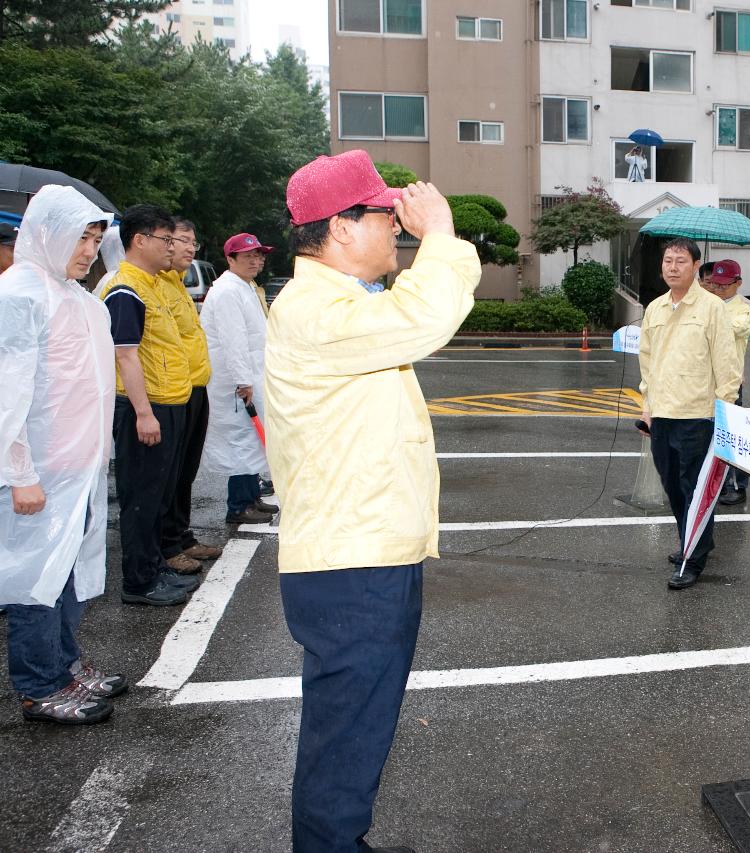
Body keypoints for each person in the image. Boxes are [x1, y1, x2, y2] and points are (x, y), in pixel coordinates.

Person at [265, 149, 481, 853]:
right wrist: (442, 234)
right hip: (351, 563)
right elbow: (428, 316)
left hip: (365, 550)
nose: (398, 231)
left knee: (354, 728)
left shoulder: (339, 302)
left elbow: (433, 307)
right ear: (341, 228)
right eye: (386, 219)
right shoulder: (314, 309)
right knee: (347, 733)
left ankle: (337, 840)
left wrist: (442, 245)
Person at [0, 185, 126, 724]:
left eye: (96, 240)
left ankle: (65, 665)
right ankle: (39, 686)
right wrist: (18, 471)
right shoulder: (19, 296)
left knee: (69, 577)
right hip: (39, 475)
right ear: (47, 234)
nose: (89, 251)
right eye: (80, 238)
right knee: (34, 582)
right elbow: (7, 394)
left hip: (78, 471)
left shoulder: (77, 297)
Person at [100, 205, 200, 606]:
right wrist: (143, 413)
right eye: (165, 239)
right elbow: (125, 355)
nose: (172, 246)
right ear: (139, 240)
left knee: (158, 495)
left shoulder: (154, 283)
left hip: (169, 401)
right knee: (141, 499)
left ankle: (155, 567)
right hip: (147, 407)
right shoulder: (126, 288)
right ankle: (138, 582)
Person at [638, 238, 742, 590]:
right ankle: (691, 539)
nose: (672, 266)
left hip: (698, 416)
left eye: (680, 261)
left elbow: (727, 364)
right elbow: (647, 362)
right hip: (663, 414)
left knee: (694, 489)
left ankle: (693, 558)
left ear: (697, 266)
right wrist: (647, 407)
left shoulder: (712, 308)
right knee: (673, 488)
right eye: (667, 260)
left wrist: (723, 412)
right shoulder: (654, 308)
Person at [157, 219, 223, 571]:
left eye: (192, 242)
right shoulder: (154, 284)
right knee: (168, 474)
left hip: (194, 387)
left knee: (185, 472)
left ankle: (181, 536)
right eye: (182, 240)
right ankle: (166, 546)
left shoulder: (178, 284)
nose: (189, 248)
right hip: (172, 393)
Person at [202, 233, 276, 526]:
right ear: (230, 259)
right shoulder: (228, 291)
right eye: (248, 256)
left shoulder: (243, 286)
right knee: (241, 441)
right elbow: (234, 340)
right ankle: (239, 505)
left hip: (249, 376)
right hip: (235, 382)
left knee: (252, 439)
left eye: (259, 256)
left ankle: (251, 496)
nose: (256, 261)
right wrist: (243, 381)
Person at [701, 259, 750, 506]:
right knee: (708, 435)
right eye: (715, 284)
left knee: (731, 436)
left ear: (738, 283)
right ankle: (714, 484)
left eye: (724, 285)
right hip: (705, 382)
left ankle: (737, 485)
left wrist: (710, 312)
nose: (718, 289)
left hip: (730, 385)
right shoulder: (708, 306)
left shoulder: (743, 310)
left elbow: (734, 328)